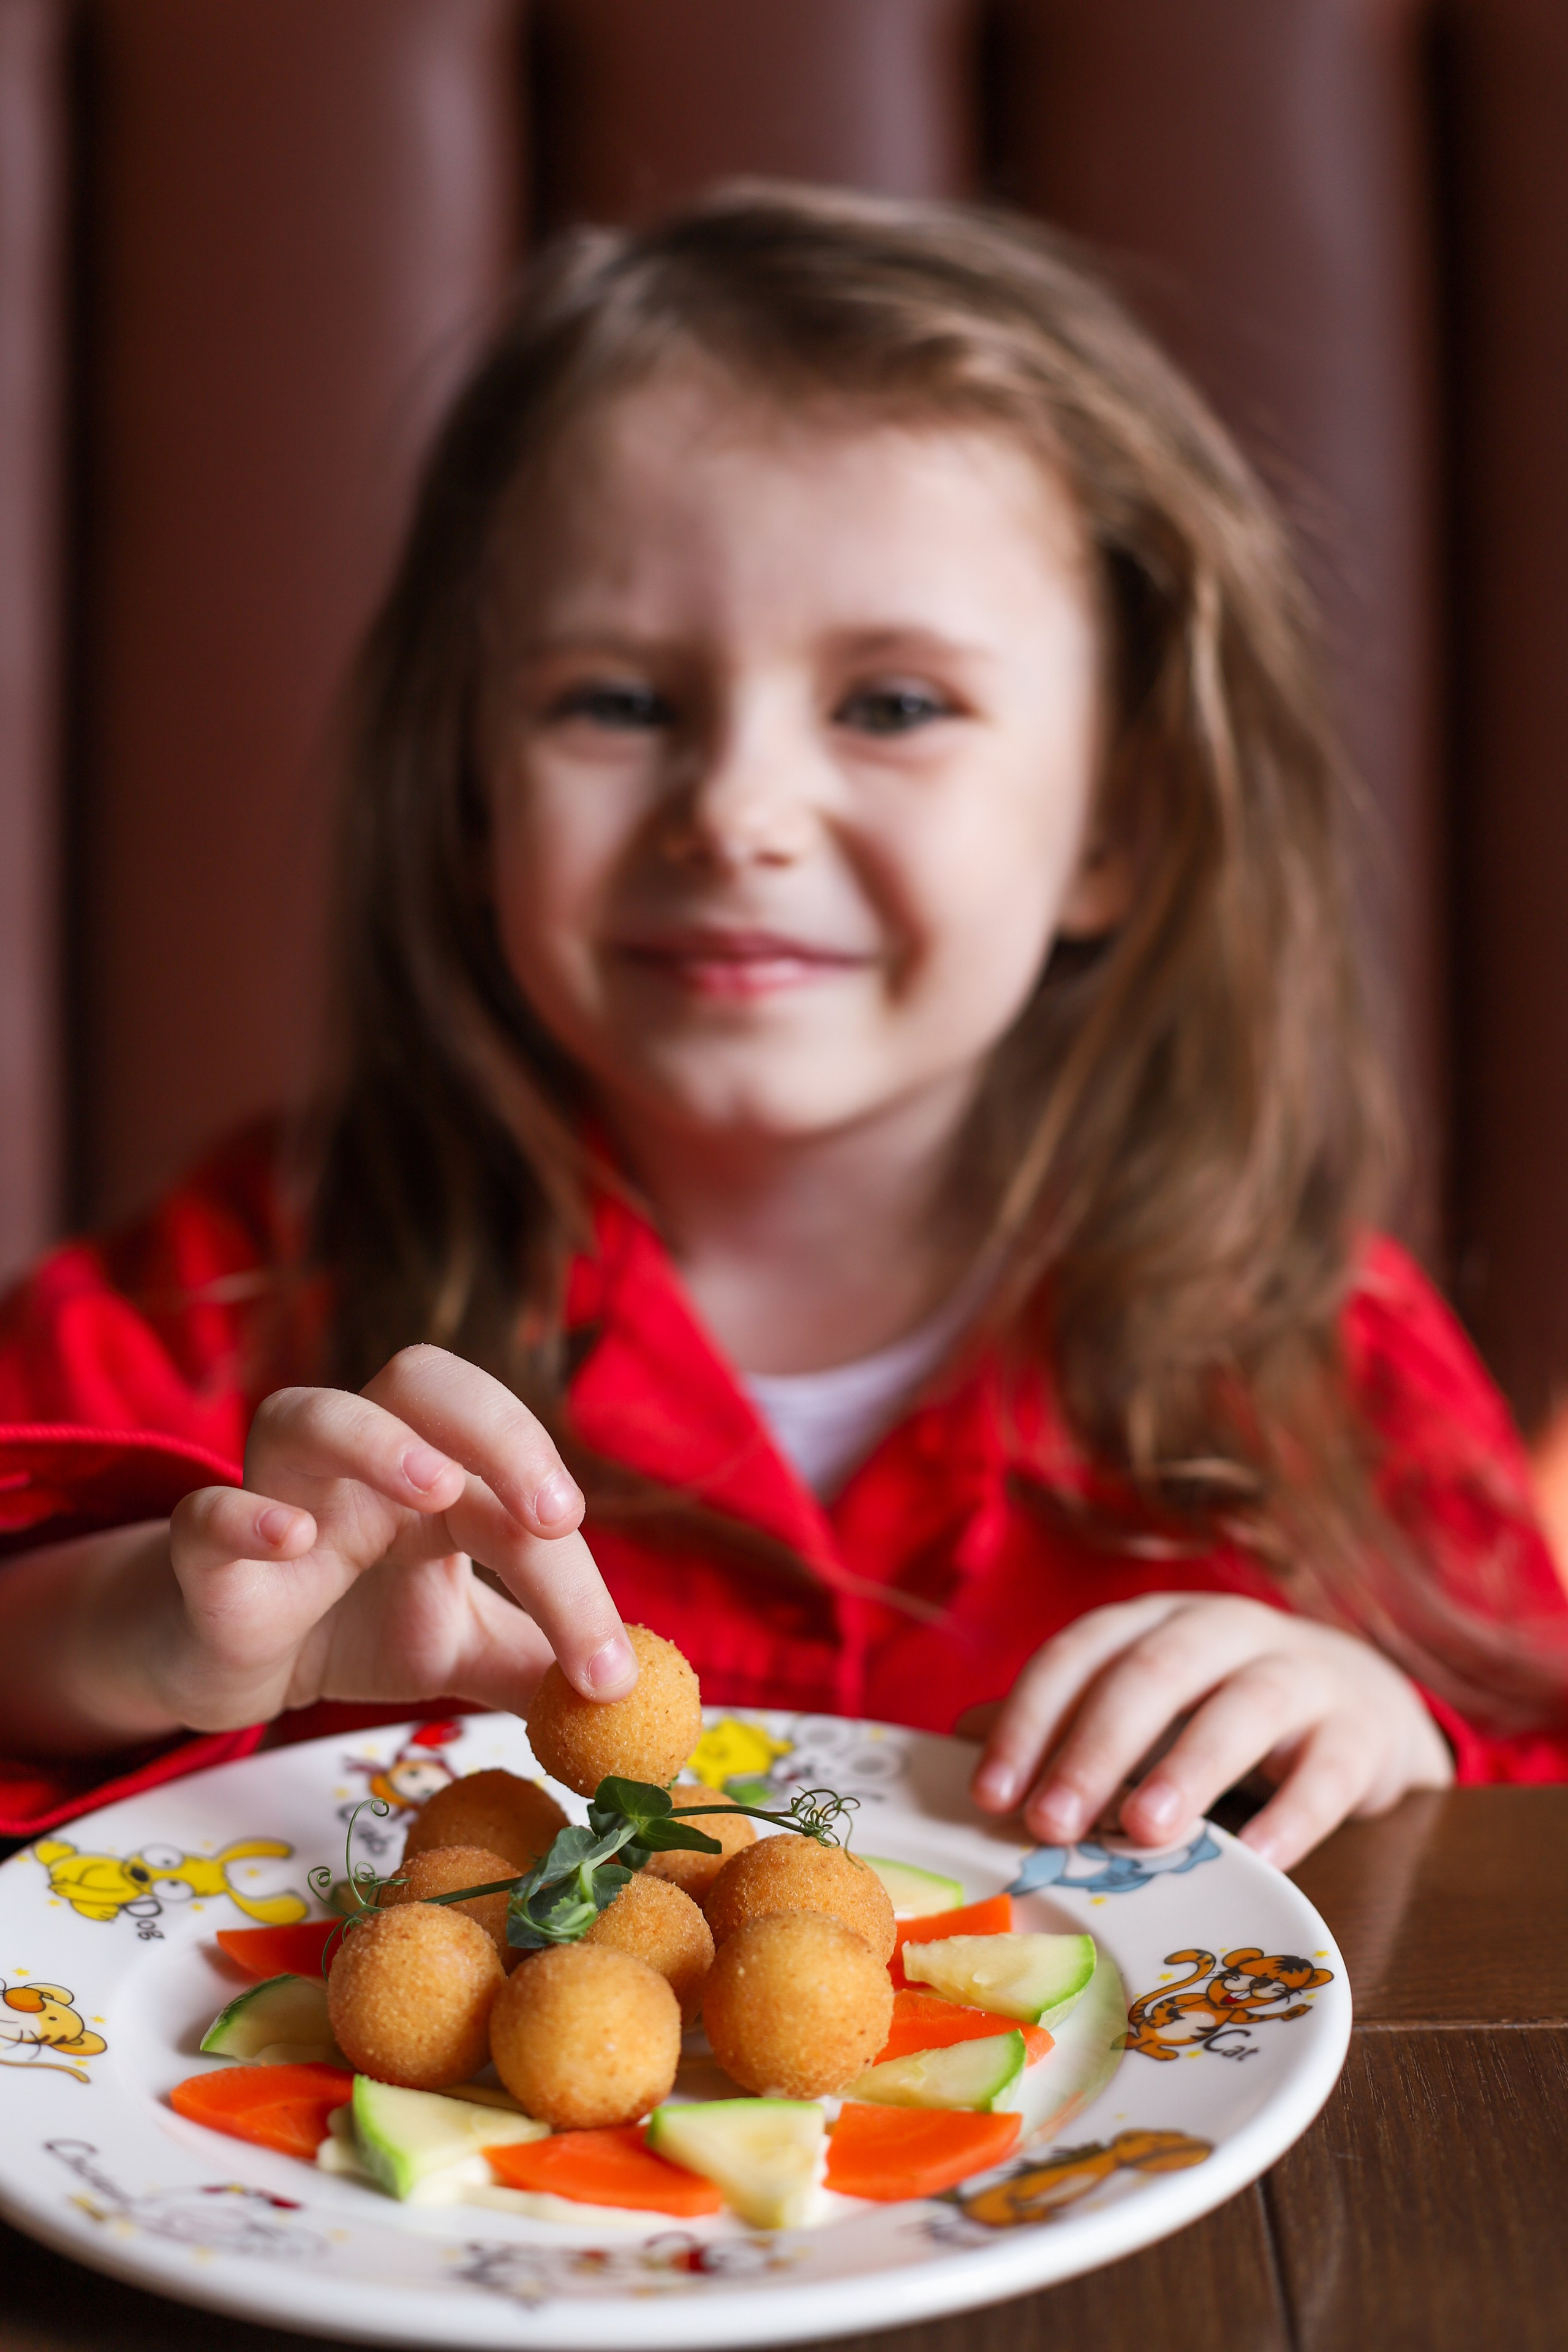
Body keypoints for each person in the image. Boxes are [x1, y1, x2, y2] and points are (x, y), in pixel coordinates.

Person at [2, 186, 1565, 1868]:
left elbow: (1520, 1784)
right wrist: (151, 1639)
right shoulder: (237, 1292)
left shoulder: (1318, 1351)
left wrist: (1394, 1731)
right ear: (469, 795)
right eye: (619, 703)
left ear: (1116, 824)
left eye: (893, 706)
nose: (737, 810)